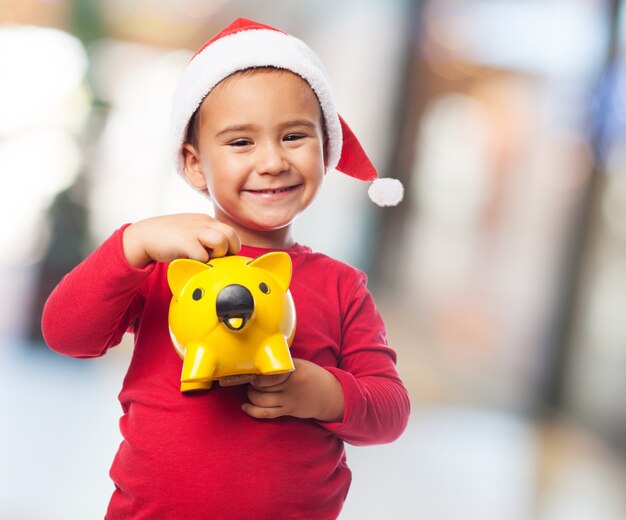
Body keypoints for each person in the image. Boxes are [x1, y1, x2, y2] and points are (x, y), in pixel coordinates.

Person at [42, 17, 409, 520]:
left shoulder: (342, 286)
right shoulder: (166, 265)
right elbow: (66, 335)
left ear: (327, 150)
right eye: (241, 142)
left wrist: (323, 392)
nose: (273, 161)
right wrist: (131, 244)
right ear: (195, 164)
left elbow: (389, 410)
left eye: (294, 136)